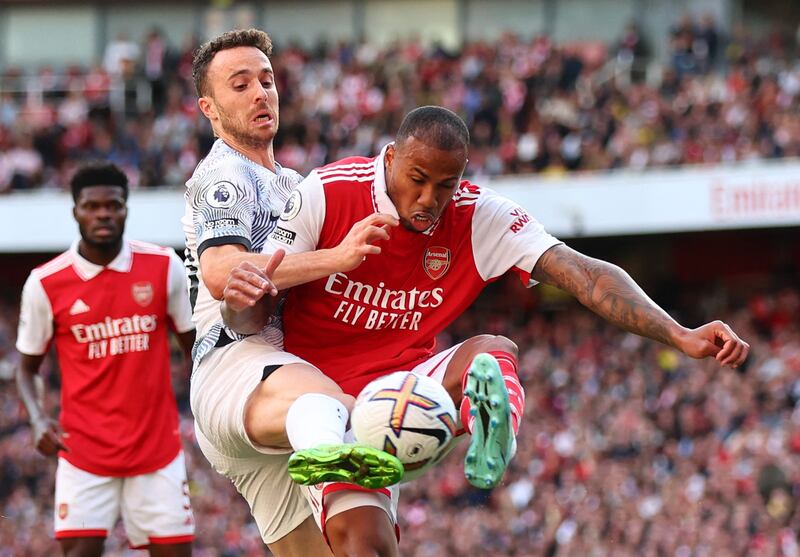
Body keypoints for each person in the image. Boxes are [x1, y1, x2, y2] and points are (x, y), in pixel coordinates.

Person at [222, 105, 751, 555]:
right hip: (312, 387)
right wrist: (299, 276)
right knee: (361, 542)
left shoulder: (479, 216)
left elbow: (584, 274)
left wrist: (678, 333)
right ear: (389, 160)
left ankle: (493, 437)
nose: (430, 198)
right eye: (417, 180)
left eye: (445, 185)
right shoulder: (329, 192)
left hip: (396, 393)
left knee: (492, 351)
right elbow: (261, 286)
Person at [182, 29, 403, 557]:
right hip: (235, 368)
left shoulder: (297, 185)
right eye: (241, 85)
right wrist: (338, 257)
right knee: (343, 409)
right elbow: (222, 270)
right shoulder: (221, 175)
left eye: (267, 80)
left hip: (281, 387)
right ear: (209, 108)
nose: (260, 93)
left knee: (362, 547)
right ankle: (433, 425)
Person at [15, 162, 196, 556]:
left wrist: (205, 406)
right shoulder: (46, 282)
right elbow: (26, 369)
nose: (102, 214)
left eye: (112, 205)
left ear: (126, 208)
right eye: (91, 206)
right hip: (82, 453)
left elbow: (193, 346)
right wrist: (36, 417)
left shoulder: (164, 266)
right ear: (75, 211)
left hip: (157, 450)